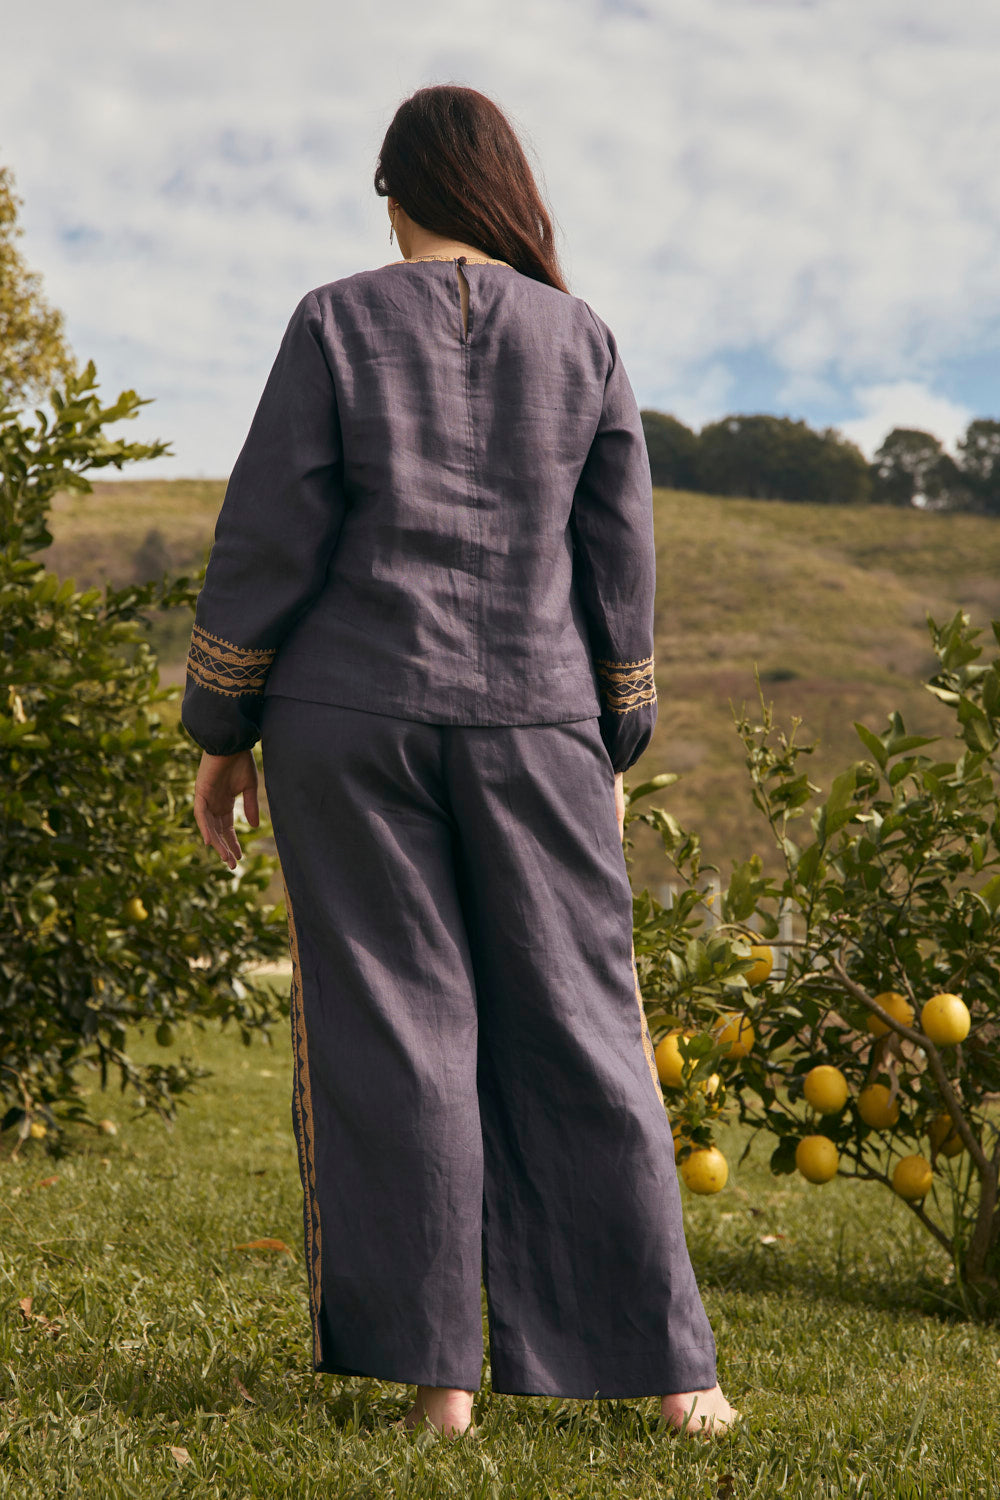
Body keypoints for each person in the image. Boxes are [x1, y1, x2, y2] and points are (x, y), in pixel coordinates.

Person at [180, 83, 741, 1442]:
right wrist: (614, 735)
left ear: (396, 194)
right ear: (503, 189)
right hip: (537, 719)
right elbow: (618, 557)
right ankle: (679, 1380)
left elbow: (270, 535)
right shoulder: (582, 337)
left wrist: (221, 726)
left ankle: (441, 1390)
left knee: (395, 1031)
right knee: (585, 1026)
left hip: (345, 715)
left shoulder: (333, 320)